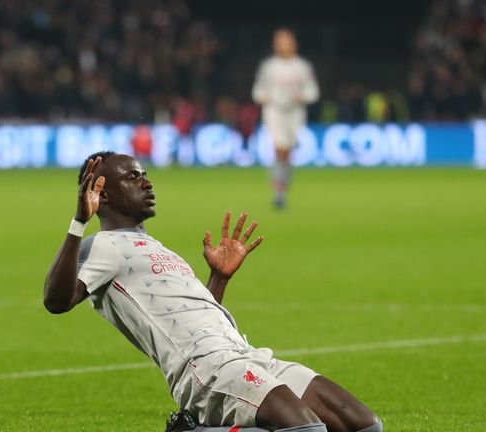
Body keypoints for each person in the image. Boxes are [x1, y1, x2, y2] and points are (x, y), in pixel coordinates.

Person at [43, 151, 383, 432]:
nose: (146, 181)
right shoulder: (103, 247)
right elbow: (57, 301)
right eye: (132, 177)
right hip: (206, 369)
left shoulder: (156, 247)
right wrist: (78, 221)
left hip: (245, 354)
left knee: (364, 426)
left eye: (144, 174)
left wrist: (218, 279)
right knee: (307, 431)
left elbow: (192, 318)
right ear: (102, 195)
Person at [252, 28, 319, 209]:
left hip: (295, 114)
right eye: (281, 42)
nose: (285, 45)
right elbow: (258, 91)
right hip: (274, 112)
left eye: (288, 41)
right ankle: (278, 194)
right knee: (279, 149)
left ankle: (281, 190)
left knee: (287, 153)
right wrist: (264, 97)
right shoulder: (268, 66)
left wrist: (302, 96)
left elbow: (313, 91)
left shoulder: (302, 66)